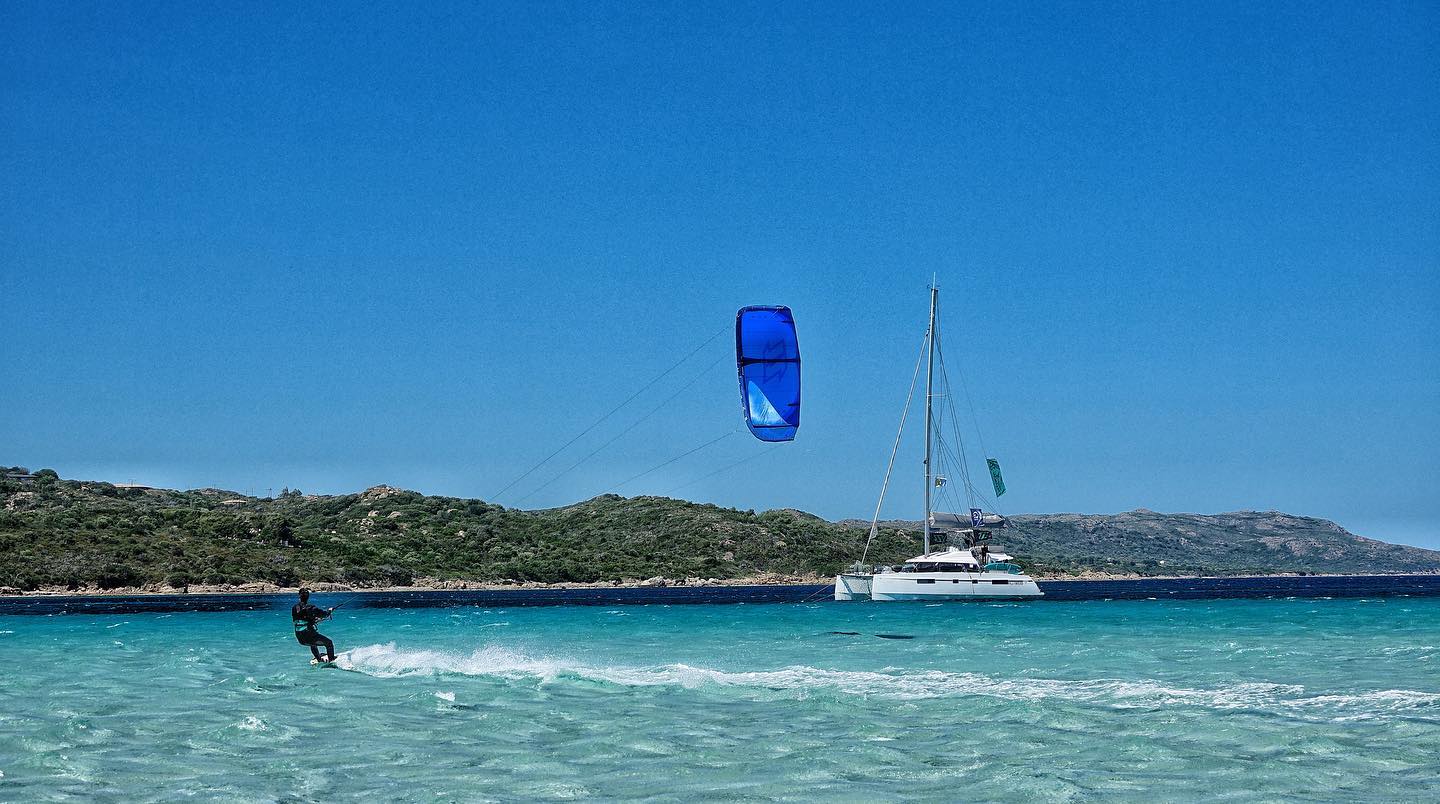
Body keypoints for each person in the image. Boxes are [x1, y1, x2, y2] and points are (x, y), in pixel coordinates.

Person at [292, 588, 337, 662]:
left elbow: (300, 619)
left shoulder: (294, 608)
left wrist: (313, 620)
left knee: (313, 644)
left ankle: (319, 659)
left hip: (300, 639)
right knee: (329, 643)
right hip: (309, 636)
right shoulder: (311, 607)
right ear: (308, 596)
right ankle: (331, 661)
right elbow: (324, 614)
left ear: (299, 596)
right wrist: (330, 610)